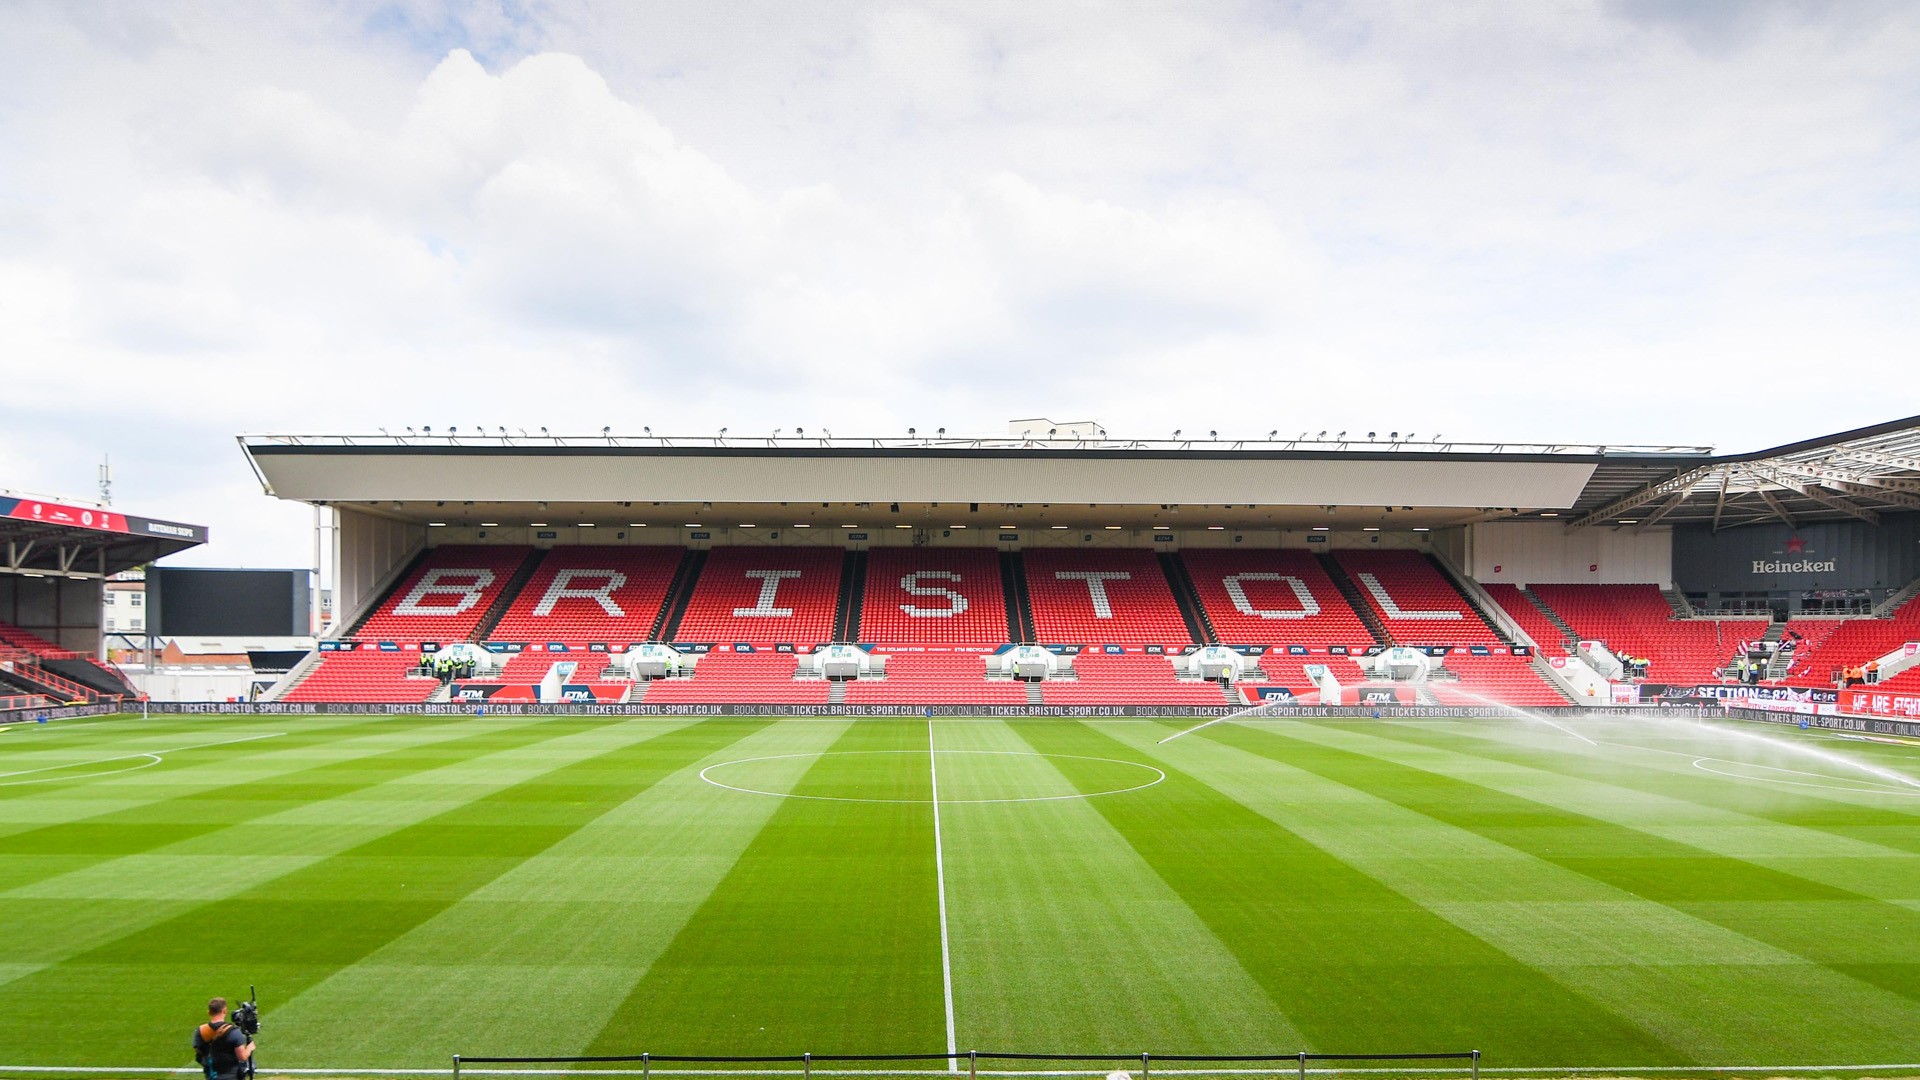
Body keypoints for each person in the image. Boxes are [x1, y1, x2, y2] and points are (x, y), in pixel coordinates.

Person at [193, 997, 253, 1080]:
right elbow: (242, 1057)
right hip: (232, 1075)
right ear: (224, 1011)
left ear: (209, 1012)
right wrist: (250, 1048)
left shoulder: (200, 1031)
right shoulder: (233, 1032)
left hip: (211, 1075)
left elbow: (198, 1051)